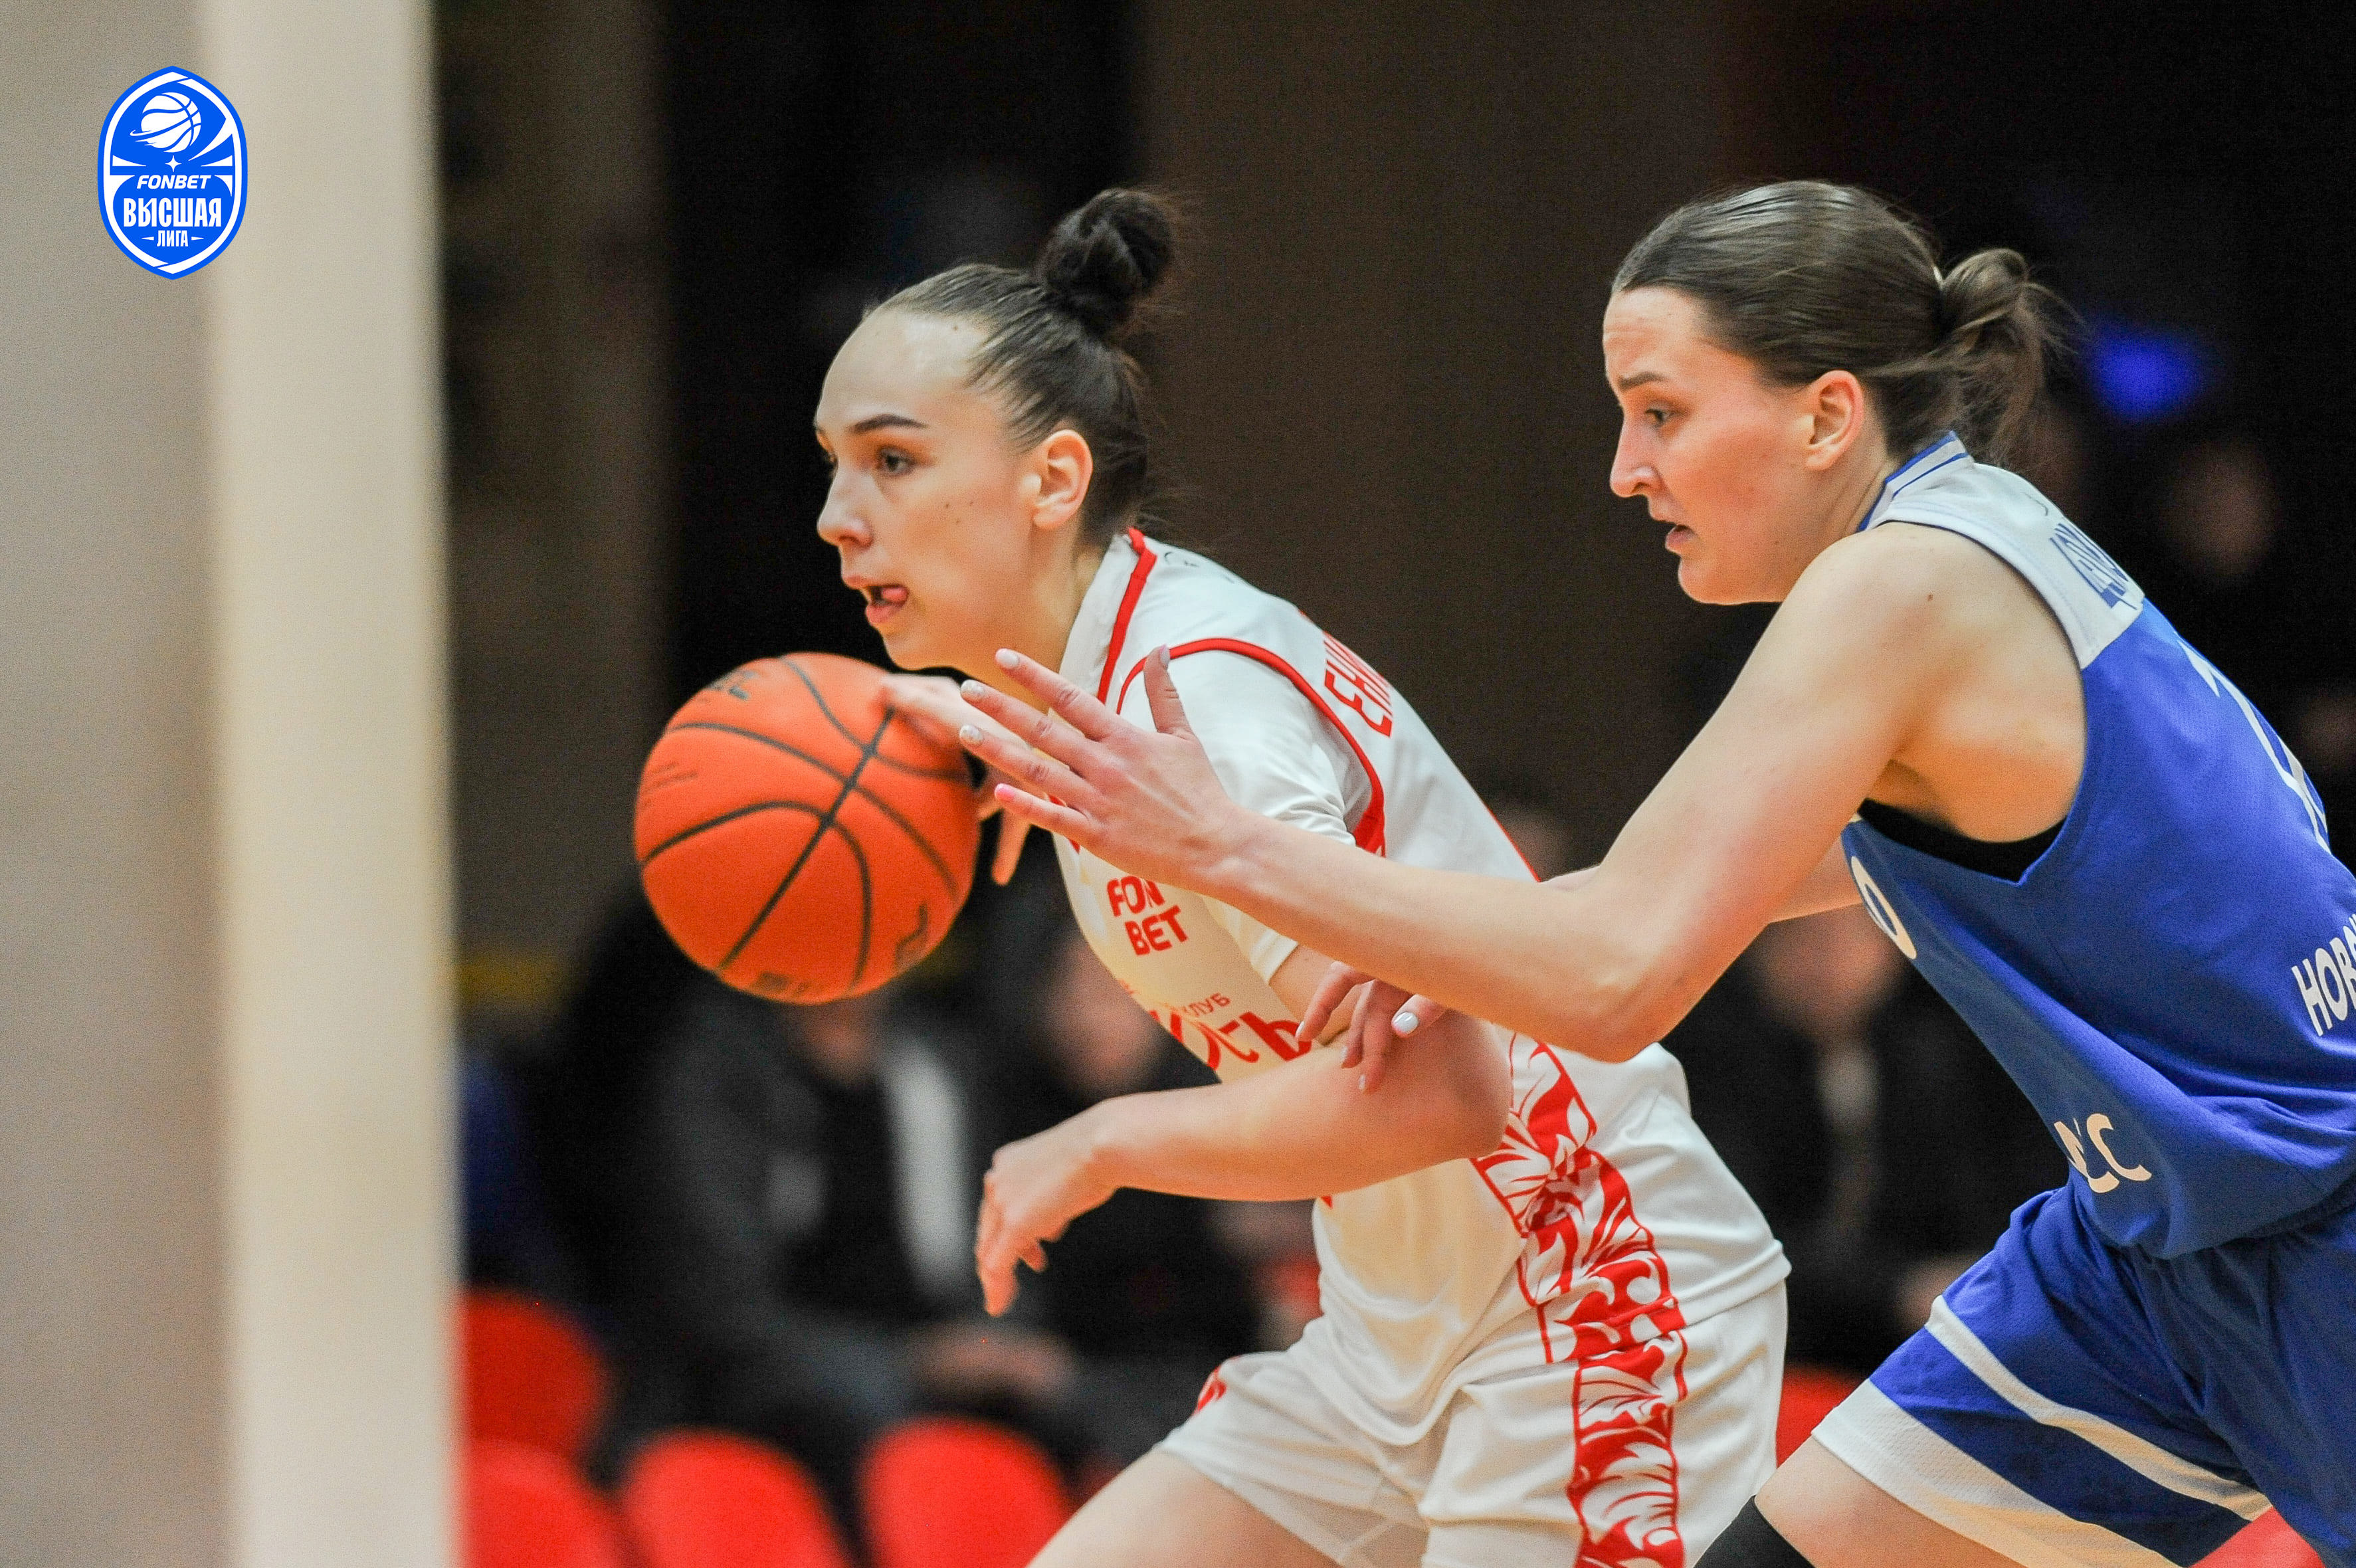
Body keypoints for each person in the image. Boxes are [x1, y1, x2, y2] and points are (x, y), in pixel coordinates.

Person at [957, 182, 2356, 1568]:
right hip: (2147, 1268)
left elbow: (1619, 975)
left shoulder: (1894, 587)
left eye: (1663, 411)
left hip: (2317, 1229)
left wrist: (1223, 845)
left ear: (1826, 416)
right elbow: (1700, 890)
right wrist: (1435, 953)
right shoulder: (1971, 538)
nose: (1627, 469)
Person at [824, 189, 1790, 1567]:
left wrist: (1101, 1142)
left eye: (891, 461)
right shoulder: (1106, 675)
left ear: (1051, 479)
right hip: (1391, 1335)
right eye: (833, 464)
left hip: (1584, 1294)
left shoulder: (1198, 699)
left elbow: (1444, 1092)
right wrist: (979, 731)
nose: (837, 516)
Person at [1666, 906, 2063, 1375]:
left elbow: (1987, 1201)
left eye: (1857, 934)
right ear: (1751, 946)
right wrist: (1898, 1289)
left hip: (1916, 1345)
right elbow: (1732, 1242)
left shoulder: (1939, 1048)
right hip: (1758, 1349)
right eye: (1802, 935)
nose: (1830, 960)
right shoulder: (1701, 1063)